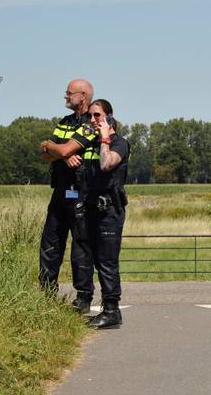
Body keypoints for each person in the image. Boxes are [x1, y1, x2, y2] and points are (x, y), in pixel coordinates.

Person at [37, 78, 97, 314]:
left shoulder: (92, 122)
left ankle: (83, 297)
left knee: (81, 246)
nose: (65, 96)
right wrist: (59, 153)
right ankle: (46, 292)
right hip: (60, 190)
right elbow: (44, 151)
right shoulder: (64, 122)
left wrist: (58, 149)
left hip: (81, 192)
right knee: (50, 242)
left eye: (69, 93)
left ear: (83, 96)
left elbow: (59, 148)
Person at [78, 99, 129, 329]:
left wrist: (105, 137)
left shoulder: (119, 143)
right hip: (90, 209)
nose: (92, 120)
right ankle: (93, 304)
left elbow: (107, 164)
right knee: (92, 260)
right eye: (90, 116)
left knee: (107, 262)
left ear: (109, 116)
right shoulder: (92, 143)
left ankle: (111, 311)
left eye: (97, 115)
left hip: (109, 210)